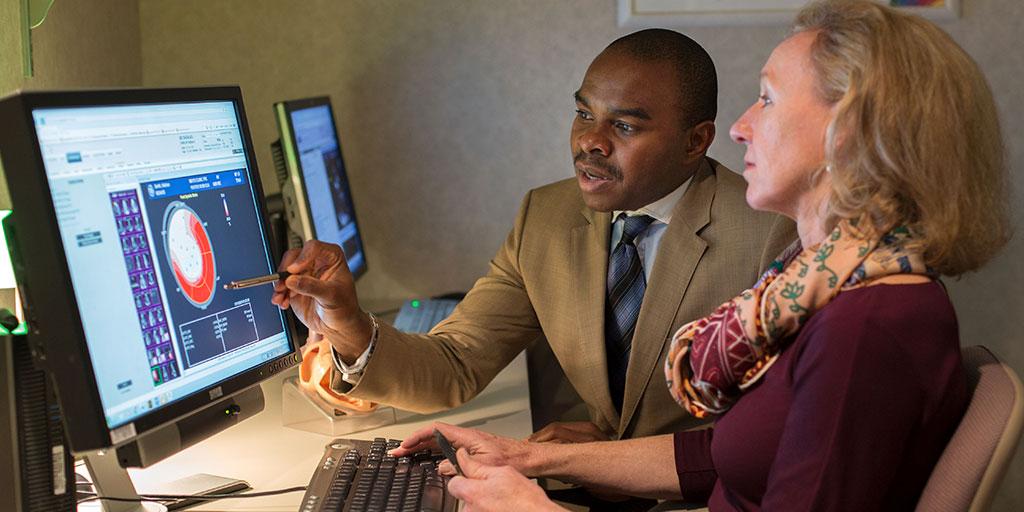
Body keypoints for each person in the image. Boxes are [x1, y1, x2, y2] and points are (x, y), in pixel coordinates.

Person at [392, 1, 1012, 510]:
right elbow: (721, 455)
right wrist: (529, 458)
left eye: (767, 99)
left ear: (844, 133)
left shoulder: (865, 327)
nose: (740, 126)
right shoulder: (819, 283)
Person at [272, 28, 794, 445]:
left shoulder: (771, 233)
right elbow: (455, 365)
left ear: (695, 141)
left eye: (625, 127)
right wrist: (347, 323)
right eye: (584, 113)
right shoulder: (545, 216)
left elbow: (778, 433)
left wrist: (610, 461)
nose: (591, 141)